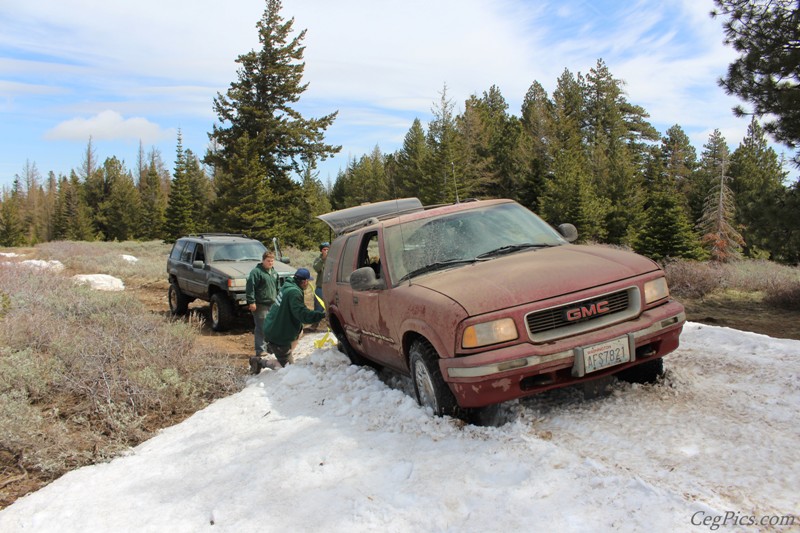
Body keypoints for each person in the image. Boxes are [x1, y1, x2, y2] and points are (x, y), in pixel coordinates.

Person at [250, 268, 325, 374]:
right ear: (304, 282)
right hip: (278, 334)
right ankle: (260, 362)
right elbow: (303, 315)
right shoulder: (293, 292)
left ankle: (283, 353)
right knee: (287, 368)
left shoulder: (288, 286)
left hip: (273, 326)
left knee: (300, 331)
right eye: (308, 281)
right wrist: (321, 315)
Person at [245, 251, 278, 363]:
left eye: (272, 261)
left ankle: (271, 348)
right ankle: (260, 349)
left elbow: (277, 288)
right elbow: (250, 287)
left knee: (272, 327)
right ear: (263, 260)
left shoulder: (273, 272)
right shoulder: (256, 272)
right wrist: (251, 301)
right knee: (262, 327)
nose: (270, 263)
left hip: (272, 303)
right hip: (260, 304)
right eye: (268, 261)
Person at [310, 242, 329, 330]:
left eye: (327, 249)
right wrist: (323, 260)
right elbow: (317, 268)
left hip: (330, 287)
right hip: (320, 287)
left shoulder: (334, 259)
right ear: (321, 250)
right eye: (324, 249)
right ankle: (315, 325)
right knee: (318, 307)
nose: (326, 251)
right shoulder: (318, 259)